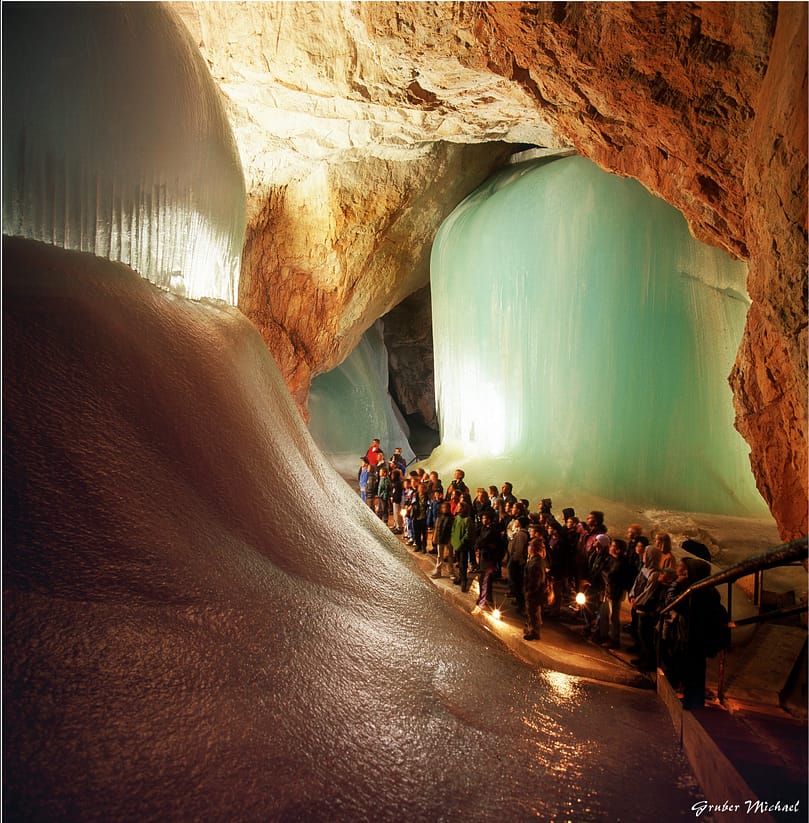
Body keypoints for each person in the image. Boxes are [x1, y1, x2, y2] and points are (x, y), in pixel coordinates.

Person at [474, 511, 501, 610]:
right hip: (483, 556)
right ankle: (485, 597)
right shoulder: (483, 528)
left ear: (489, 519)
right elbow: (478, 540)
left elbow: (483, 541)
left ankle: (485, 599)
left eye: (485, 518)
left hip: (489, 558)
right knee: (483, 579)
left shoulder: (493, 530)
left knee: (485, 579)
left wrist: (480, 545)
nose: (483, 520)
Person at [523, 533, 548, 641]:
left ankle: (534, 631)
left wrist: (530, 590)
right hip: (535, 591)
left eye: (530, 546)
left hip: (534, 591)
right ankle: (530, 628)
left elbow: (535, 580)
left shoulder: (536, 562)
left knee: (533, 611)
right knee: (532, 611)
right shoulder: (536, 560)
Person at [507, 516, 530, 614]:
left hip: (517, 561)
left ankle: (521, 605)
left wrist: (514, 559)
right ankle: (519, 602)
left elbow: (519, 549)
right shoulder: (520, 533)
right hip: (516, 560)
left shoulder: (521, 534)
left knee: (516, 582)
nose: (515, 522)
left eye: (517, 521)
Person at [450, 501, 475, 592]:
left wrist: (461, 542)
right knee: (459, 563)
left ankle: (464, 580)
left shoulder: (467, 519)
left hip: (463, 546)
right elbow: (453, 530)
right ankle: (460, 577)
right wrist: (453, 540)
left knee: (463, 563)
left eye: (460, 507)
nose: (458, 508)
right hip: (456, 544)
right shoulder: (457, 518)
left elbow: (468, 534)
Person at [430, 501, 455, 579]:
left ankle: (451, 572)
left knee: (450, 556)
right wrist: (434, 537)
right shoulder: (439, 517)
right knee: (439, 556)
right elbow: (436, 528)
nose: (445, 509)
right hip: (440, 538)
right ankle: (438, 571)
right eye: (443, 507)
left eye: (446, 507)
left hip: (449, 539)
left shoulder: (452, 518)